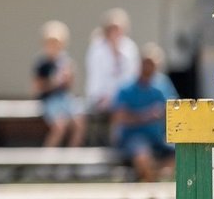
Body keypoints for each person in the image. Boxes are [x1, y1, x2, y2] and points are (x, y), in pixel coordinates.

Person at [112, 43, 178, 182]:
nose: (149, 67)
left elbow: (174, 108)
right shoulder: (127, 88)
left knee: (180, 152)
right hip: (133, 138)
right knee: (143, 156)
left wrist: (162, 113)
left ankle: (153, 177)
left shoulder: (162, 85)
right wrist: (146, 116)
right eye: (146, 63)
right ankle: (151, 185)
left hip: (157, 138)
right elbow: (119, 117)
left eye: (153, 64)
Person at [31, 20, 85, 148]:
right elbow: (36, 88)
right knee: (59, 126)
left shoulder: (65, 61)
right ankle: (47, 159)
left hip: (64, 98)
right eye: (51, 43)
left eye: (57, 43)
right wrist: (53, 83)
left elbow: (69, 87)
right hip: (49, 100)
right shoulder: (41, 63)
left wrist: (69, 78)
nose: (54, 46)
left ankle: (71, 159)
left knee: (79, 123)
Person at [84, 8, 140, 114]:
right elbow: (95, 76)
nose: (115, 32)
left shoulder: (130, 47)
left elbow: (132, 75)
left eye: (118, 28)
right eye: (112, 28)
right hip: (101, 98)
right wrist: (101, 97)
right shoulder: (97, 48)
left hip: (125, 97)